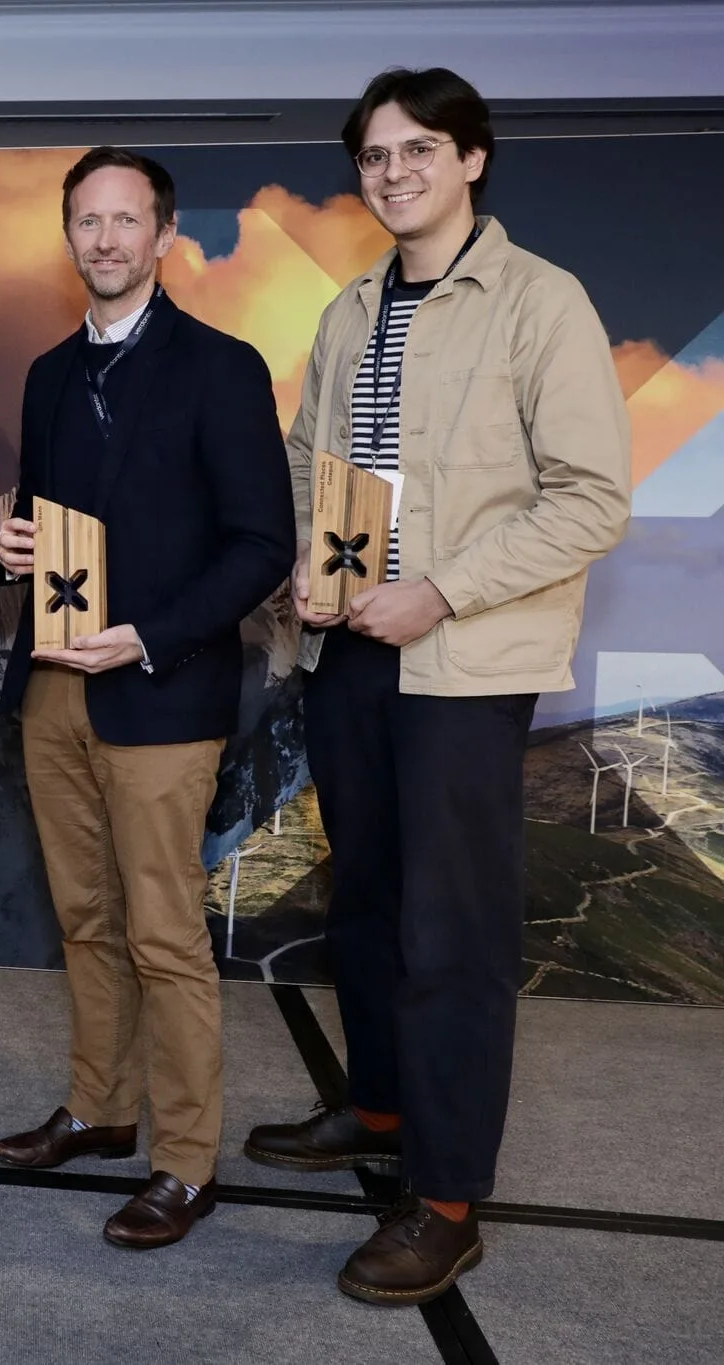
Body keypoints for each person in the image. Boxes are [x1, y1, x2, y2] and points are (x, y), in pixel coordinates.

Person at [248, 68, 630, 1303]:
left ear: (471, 160)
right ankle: (375, 1109)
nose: (393, 171)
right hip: (347, 646)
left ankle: (448, 1193)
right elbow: (315, 461)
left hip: (461, 662)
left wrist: (440, 591)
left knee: (447, 929)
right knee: (361, 900)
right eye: (373, 154)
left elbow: (588, 498)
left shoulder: (537, 300)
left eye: (419, 149)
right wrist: (314, 566)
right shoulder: (351, 308)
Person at [0, 148, 294, 1248]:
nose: (104, 239)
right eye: (85, 221)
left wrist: (150, 635)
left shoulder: (221, 367)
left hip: (162, 695)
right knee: (83, 919)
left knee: (163, 935)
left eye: (125, 221)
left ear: (163, 237)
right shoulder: (45, 375)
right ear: (66, 236)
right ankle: (98, 1107)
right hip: (53, 687)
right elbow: (48, 529)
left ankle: (185, 1161)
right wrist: (7, 549)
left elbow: (263, 542)